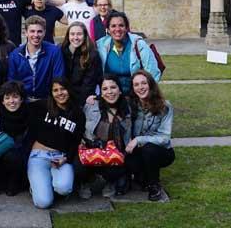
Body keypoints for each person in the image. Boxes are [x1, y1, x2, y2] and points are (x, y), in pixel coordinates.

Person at [27, 77, 86, 209]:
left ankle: (45, 184)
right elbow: (18, 106)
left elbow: (76, 142)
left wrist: (65, 159)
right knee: (44, 202)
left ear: (69, 90)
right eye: (55, 90)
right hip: (39, 156)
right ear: (51, 93)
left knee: (64, 188)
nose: (60, 93)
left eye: (63, 89)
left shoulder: (78, 114)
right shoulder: (42, 106)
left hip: (60, 158)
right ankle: (37, 187)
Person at [75, 75, 131, 199]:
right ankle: (85, 181)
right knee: (77, 167)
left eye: (113, 87)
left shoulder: (127, 110)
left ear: (120, 90)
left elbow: (128, 137)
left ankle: (110, 181)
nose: (109, 92)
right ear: (101, 92)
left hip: (114, 153)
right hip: (91, 149)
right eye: (105, 89)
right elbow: (79, 128)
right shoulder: (91, 105)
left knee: (121, 166)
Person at [126, 70, 175, 202]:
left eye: (144, 83)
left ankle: (154, 184)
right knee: (137, 176)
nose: (140, 87)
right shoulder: (129, 104)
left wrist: (138, 139)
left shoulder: (165, 106)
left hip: (161, 151)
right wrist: (94, 98)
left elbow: (165, 138)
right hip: (137, 150)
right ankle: (141, 177)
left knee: (149, 149)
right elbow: (110, 99)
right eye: (136, 85)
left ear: (151, 85)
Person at [96, 11, 161, 94]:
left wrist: (146, 94)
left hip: (136, 95)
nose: (117, 29)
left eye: (121, 25)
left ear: (127, 28)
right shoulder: (100, 46)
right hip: (111, 95)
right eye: (113, 26)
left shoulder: (139, 44)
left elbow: (153, 73)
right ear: (108, 30)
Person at [7, 15, 65, 101]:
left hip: (47, 100)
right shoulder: (15, 55)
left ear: (44, 32)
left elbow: (58, 78)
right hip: (23, 101)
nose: (36, 35)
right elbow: (12, 81)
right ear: (26, 32)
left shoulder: (54, 51)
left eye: (39, 31)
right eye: (32, 31)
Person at [61, 21, 102, 106]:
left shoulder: (92, 55)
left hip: (82, 99)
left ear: (85, 36)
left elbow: (89, 84)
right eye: (72, 34)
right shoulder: (61, 51)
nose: (75, 37)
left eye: (79, 34)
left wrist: (76, 105)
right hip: (63, 97)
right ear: (68, 36)